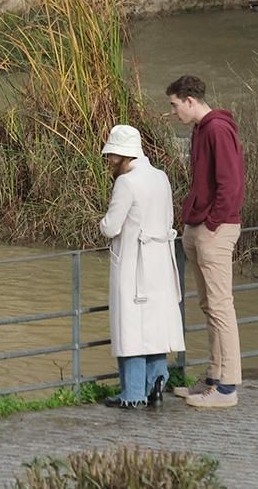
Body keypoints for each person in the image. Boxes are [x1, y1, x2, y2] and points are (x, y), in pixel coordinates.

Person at [165, 75, 245, 408]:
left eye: (174, 105)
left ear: (189, 100)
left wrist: (212, 224)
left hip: (215, 228)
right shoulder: (201, 130)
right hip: (199, 225)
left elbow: (231, 183)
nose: (172, 112)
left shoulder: (216, 129)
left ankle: (227, 388)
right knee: (209, 305)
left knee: (221, 306)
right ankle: (214, 377)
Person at [97, 125, 185, 409]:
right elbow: (169, 218)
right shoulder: (161, 178)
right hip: (160, 261)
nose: (109, 160)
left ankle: (132, 393)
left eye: (111, 155)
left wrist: (100, 222)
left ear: (124, 155)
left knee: (131, 328)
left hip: (134, 263)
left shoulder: (126, 183)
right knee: (156, 327)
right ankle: (158, 380)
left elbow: (111, 227)